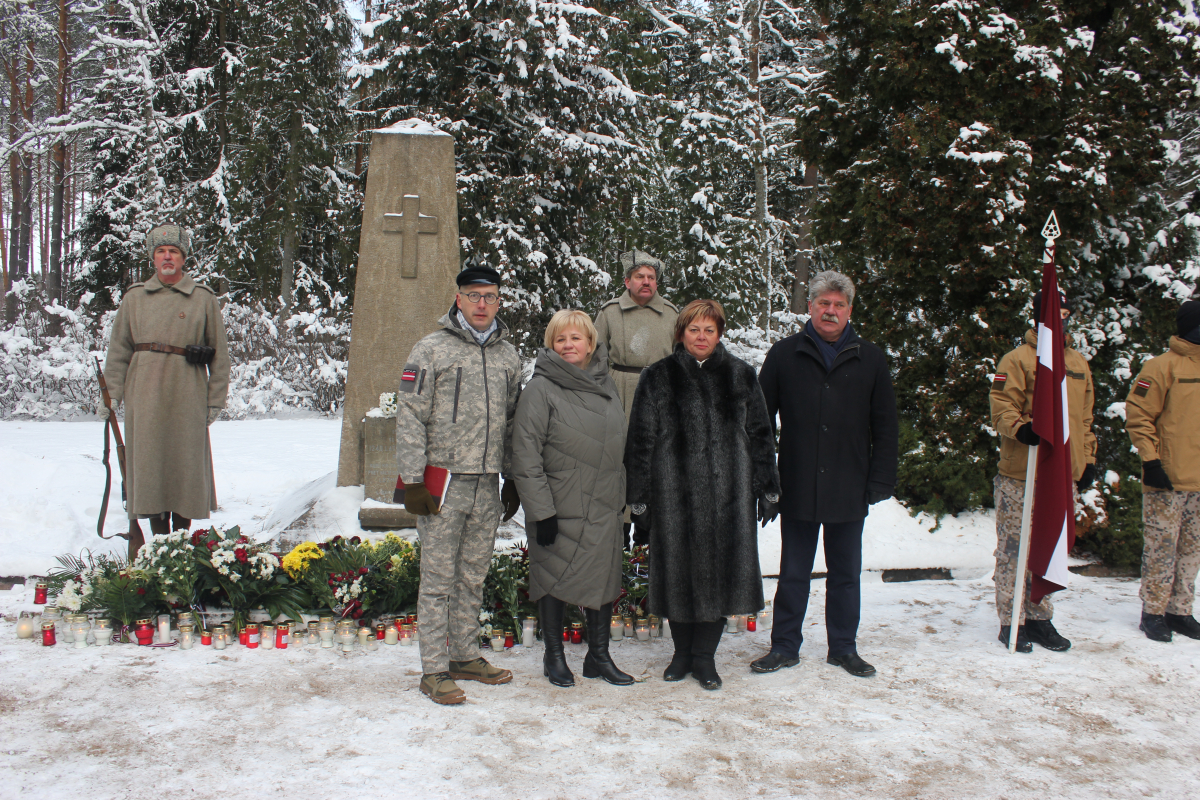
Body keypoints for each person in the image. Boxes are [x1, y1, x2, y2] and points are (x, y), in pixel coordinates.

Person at [625, 299, 780, 690]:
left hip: (729, 494)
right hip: (673, 494)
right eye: (694, 329)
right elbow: (640, 440)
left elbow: (762, 434)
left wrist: (768, 488)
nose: (701, 336)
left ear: (719, 333)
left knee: (719, 575)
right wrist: (640, 498)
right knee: (676, 572)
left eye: (709, 329)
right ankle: (681, 654)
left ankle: (705, 658)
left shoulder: (741, 375)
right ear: (681, 333)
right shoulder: (657, 377)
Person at [750, 270, 898, 679]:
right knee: (794, 572)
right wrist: (766, 480)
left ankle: (843, 648)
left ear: (850, 310)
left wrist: (880, 479)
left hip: (849, 485)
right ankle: (784, 646)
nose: (830, 311)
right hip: (797, 484)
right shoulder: (784, 355)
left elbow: (885, 425)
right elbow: (760, 423)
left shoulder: (870, 358)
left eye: (839, 305)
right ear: (810, 306)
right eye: (823, 304)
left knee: (846, 575)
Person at [395, 265, 523, 705]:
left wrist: (513, 477)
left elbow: (511, 422)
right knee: (437, 579)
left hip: (486, 483)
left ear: (499, 300)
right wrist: (413, 480)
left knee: (473, 574)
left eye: (490, 296)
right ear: (459, 298)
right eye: (474, 296)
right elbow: (410, 413)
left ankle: (465, 655)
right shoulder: (431, 348)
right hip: (442, 481)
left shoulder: (509, 355)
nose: (482, 304)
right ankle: (433, 668)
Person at [511, 310, 632, 687]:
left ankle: (598, 656)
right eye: (560, 339)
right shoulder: (540, 390)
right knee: (553, 577)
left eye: (575, 338)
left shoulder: (606, 384)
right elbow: (525, 456)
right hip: (559, 505)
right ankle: (554, 657)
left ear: (590, 343)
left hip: (603, 501)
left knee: (603, 577)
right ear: (551, 344)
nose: (567, 345)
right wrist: (541, 511)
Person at [103, 224, 230, 562]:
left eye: (173, 251)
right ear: (153, 258)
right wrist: (111, 395)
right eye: (161, 251)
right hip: (143, 390)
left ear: (183, 257)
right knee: (150, 464)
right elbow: (119, 349)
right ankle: (158, 542)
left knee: (185, 464)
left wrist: (215, 400)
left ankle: (181, 540)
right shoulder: (134, 298)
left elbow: (220, 355)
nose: (167, 257)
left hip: (187, 390)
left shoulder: (202, 298)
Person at [987, 290, 1096, 653]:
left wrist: (1088, 458)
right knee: (1016, 549)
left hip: (1060, 475)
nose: (1061, 319)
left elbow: (1084, 418)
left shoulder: (1077, 363)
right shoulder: (1018, 360)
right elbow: (1002, 406)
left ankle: (1039, 616)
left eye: (1066, 313)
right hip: (1023, 473)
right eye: (1055, 312)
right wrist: (1021, 428)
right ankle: (1012, 619)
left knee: (1049, 546)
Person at [1125, 299, 1200, 643]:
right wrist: (1151, 461)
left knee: (1191, 549)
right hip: (1168, 478)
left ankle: (1180, 610)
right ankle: (1153, 612)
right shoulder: (1161, 367)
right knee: (1161, 548)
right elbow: (1139, 416)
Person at [594, 249, 679, 419]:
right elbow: (594, 356)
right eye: (640, 277)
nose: (646, 282)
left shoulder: (672, 314)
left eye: (651, 278)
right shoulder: (610, 312)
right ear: (627, 281)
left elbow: (682, 358)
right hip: (619, 390)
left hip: (661, 389)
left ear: (656, 283)